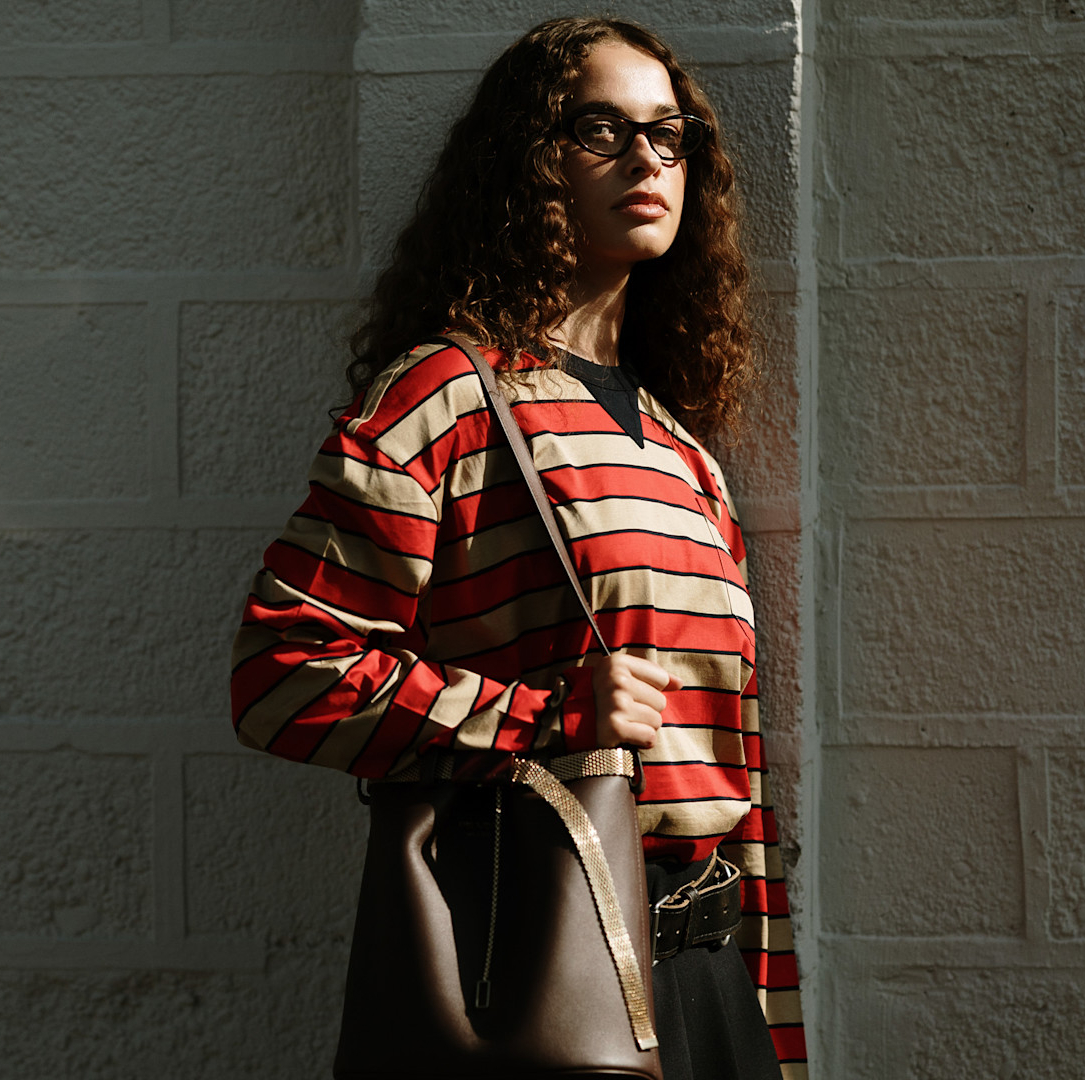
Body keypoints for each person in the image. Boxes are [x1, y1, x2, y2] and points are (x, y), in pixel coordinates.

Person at [230, 16, 804, 1080]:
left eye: (670, 135)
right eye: (602, 129)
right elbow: (280, 676)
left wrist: (770, 1027)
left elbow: (733, 782)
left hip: (707, 989)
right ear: (528, 161)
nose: (646, 159)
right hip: (548, 974)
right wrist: (547, 716)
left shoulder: (684, 453)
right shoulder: (446, 399)